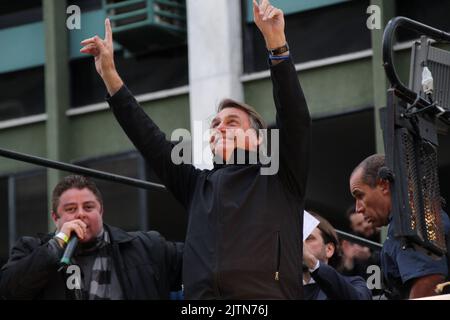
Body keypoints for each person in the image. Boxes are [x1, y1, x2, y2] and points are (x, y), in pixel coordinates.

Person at [80, 0, 310, 299]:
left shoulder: (280, 175)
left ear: (259, 140)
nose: (220, 128)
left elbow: (294, 116)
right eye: (215, 124)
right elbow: (150, 141)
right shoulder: (197, 184)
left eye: (232, 122)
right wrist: (110, 74)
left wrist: (276, 44)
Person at [0, 175, 183, 300]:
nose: (81, 215)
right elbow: (9, 290)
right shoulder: (29, 249)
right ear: (55, 218)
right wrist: (56, 245)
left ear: (101, 210)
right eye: (71, 209)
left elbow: (202, 257)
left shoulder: (146, 247)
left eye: (88, 207)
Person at [349, 154, 450, 299]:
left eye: (360, 196)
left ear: (384, 185)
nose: (358, 208)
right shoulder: (412, 218)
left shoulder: (412, 222)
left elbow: (428, 286)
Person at [303, 212, 372, 300]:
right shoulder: (283, 287)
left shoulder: (355, 284)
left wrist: (312, 262)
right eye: (298, 239)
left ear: (329, 249)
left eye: (309, 238)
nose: (302, 245)